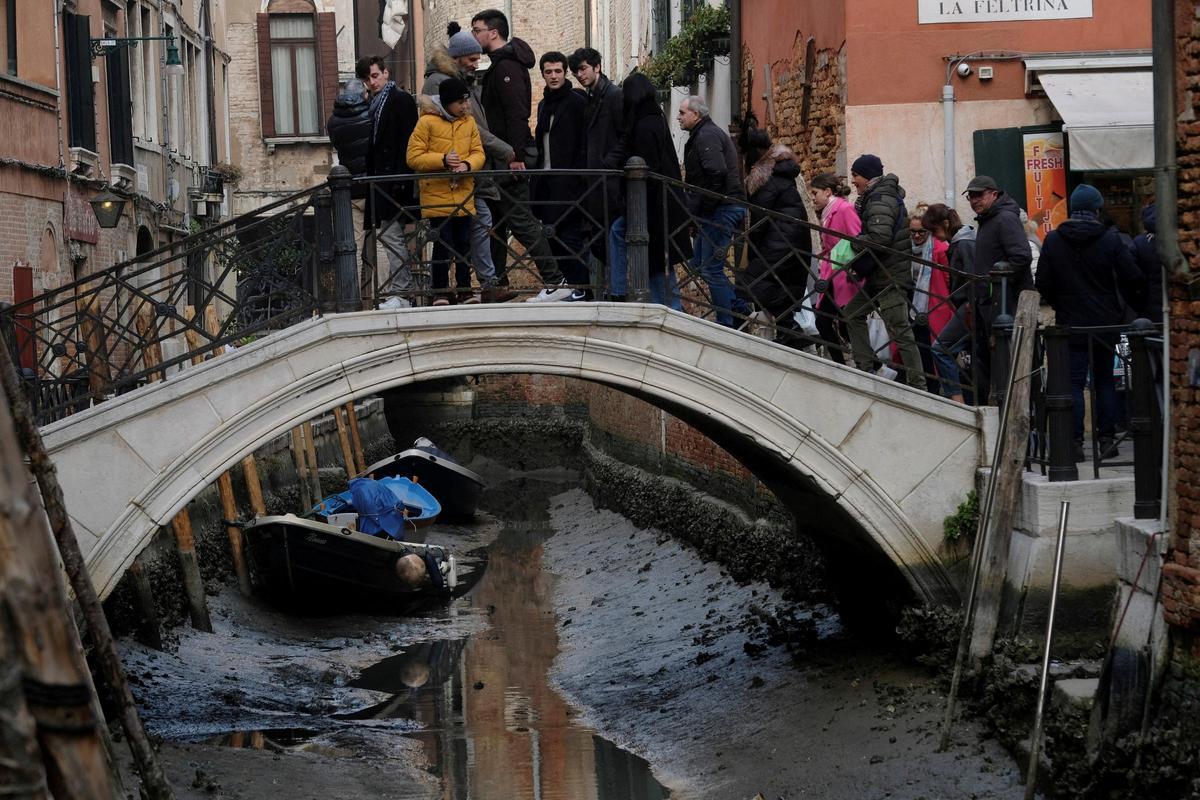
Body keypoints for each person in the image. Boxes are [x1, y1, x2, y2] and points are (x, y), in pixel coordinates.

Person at [1035, 184, 1145, 461]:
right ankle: (1107, 440)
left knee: (1073, 383)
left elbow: (1043, 282)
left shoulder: (1054, 240)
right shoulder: (1109, 239)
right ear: (1097, 209)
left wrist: (1060, 303)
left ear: (1072, 209)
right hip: (1104, 323)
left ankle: (1074, 444)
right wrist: (1120, 306)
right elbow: (1132, 277)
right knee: (1104, 381)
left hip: (1071, 322)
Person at [471, 9, 570, 301]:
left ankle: (556, 281)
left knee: (521, 221)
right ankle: (496, 286)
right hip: (501, 156)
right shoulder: (501, 66)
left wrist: (514, 155)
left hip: (508, 157)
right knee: (499, 223)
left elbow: (516, 115)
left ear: (493, 33)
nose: (474, 35)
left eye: (477, 29)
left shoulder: (507, 69)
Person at [421, 22, 516, 303]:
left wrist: (474, 161)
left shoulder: (461, 81)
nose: (477, 63)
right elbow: (427, 144)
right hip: (448, 179)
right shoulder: (440, 83)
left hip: (468, 172)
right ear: (458, 57)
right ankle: (455, 289)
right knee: (447, 237)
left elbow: (472, 134)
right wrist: (504, 150)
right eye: (473, 59)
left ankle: (475, 286)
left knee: (470, 228)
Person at [604, 72, 690, 308]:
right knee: (657, 260)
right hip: (658, 203)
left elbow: (646, 166)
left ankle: (622, 292)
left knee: (651, 256)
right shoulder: (653, 117)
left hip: (652, 204)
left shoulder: (644, 124)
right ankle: (664, 308)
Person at [841, 154, 927, 390]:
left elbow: (880, 237)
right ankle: (867, 366)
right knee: (852, 313)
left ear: (867, 176)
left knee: (900, 329)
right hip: (881, 274)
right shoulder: (878, 196)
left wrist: (853, 243)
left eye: (856, 175)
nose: (853, 181)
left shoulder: (880, 198)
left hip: (890, 276)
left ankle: (918, 385)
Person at [406, 78, 485, 306]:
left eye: (465, 101)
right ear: (448, 103)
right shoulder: (426, 122)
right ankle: (439, 291)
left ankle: (465, 290)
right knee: (442, 242)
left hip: (463, 192)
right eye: (460, 102)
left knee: (463, 243)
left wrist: (468, 165)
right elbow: (413, 157)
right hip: (437, 195)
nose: (464, 106)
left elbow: (478, 152)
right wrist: (442, 160)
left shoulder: (468, 122)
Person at [960, 174, 1033, 401]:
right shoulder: (989, 219)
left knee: (1006, 366)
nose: (974, 200)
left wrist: (996, 281)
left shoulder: (1004, 219)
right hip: (992, 304)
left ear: (994, 194)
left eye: (979, 195)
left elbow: (1021, 257)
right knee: (994, 366)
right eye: (971, 196)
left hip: (1005, 306)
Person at [357, 55, 419, 311]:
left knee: (392, 236)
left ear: (385, 73)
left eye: (374, 76)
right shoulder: (375, 104)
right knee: (389, 236)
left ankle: (403, 292)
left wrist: (401, 180)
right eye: (366, 79)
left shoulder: (400, 100)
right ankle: (403, 291)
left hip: (396, 183)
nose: (371, 83)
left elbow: (408, 141)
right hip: (384, 183)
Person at [678, 95, 746, 327]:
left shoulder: (706, 135)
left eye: (682, 113)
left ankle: (727, 323)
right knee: (699, 264)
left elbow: (716, 173)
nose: (678, 117)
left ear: (696, 115)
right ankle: (737, 307)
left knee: (712, 269)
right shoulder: (703, 134)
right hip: (716, 207)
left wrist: (701, 207)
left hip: (721, 208)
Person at [534, 51, 591, 300]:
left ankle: (583, 288)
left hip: (569, 180)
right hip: (546, 180)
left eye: (558, 71)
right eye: (549, 72)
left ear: (565, 72)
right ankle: (567, 285)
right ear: (543, 74)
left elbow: (583, 143)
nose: (554, 76)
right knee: (551, 233)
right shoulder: (543, 105)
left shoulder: (577, 102)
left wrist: (578, 177)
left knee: (571, 236)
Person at [739, 142, 811, 327]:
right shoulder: (787, 179)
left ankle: (791, 329)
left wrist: (753, 247)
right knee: (782, 285)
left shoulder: (768, 181)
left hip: (778, 239)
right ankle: (789, 332)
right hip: (793, 239)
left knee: (752, 282)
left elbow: (760, 217)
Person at [569, 47, 623, 271]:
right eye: (576, 72)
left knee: (610, 239)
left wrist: (608, 162)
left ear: (597, 67)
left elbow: (625, 135)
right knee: (599, 241)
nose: (580, 75)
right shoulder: (592, 97)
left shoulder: (613, 95)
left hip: (609, 181)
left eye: (582, 69)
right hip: (596, 182)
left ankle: (618, 291)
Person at [923, 203, 977, 402]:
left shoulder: (963, 244)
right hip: (968, 306)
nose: (935, 237)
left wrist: (970, 305)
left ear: (945, 224)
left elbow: (973, 278)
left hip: (969, 307)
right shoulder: (963, 242)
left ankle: (956, 400)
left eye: (935, 230)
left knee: (940, 348)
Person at [810, 173, 861, 364]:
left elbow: (856, 237)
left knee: (842, 323)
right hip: (832, 273)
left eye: (815, 193)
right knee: (827, 321)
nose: (813, 197)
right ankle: (842, 363)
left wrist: (854, 267)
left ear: (828, 191)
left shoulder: (844, 209)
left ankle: (868, 364)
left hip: (845, 274)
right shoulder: (828, 212)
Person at [906, 210, 952, 395]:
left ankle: (935, 389)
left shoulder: (939, 249)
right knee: (917, 346)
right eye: (913, 232)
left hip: (934, 304)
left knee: (931, 347)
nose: (916, 236)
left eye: (921, 232)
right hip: (913, 304)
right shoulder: (906, 248)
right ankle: (921, 387)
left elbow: (948, 278)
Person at [326, 78, 371, 179]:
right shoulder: (371, 114)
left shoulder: (332, 120)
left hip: (347, 175)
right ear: (363, 94)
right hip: (370, 174)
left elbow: (336, 144)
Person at [1132, 203, 1164, 324]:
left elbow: (1131, 275)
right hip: (1176, 301)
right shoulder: (1177, 239)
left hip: (1148, 302)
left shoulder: (1139, 243)